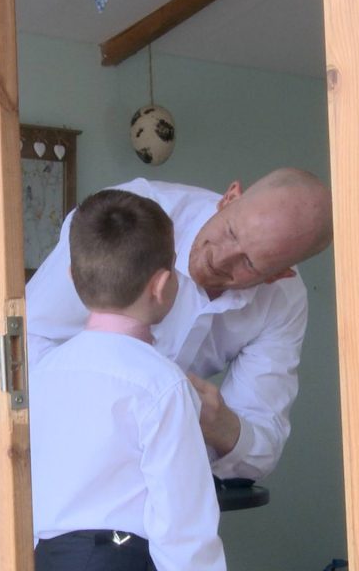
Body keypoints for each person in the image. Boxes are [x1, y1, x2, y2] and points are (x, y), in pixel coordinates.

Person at [28, 167, 332, 481]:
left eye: (250, 263)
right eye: (230, 231)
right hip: (44, 459)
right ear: (229, 198)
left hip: (153, 484)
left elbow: (263, 446)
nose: (220, 258)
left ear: (278, 275)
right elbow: (24, 342)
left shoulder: (283, 301)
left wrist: (220, 424)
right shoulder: (132, 216)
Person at [30, 189, 226, 571]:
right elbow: (183, 526)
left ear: (72, 278)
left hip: (45, 559)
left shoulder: (42, 374)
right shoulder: (163, 385)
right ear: (163, 284)